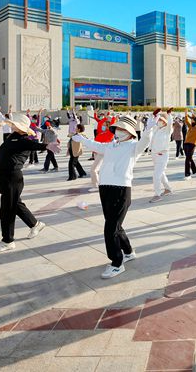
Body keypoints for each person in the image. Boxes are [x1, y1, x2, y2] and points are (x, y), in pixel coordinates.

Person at [71, 115, 154, 278]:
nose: (119, 131)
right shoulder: (111, 145)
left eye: (123, 129)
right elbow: (96, 145)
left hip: (121, 190)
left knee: (110, 229)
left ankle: (117, 263)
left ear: (130, 132)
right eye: (118, 128)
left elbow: (145, 141)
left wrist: (149, 129)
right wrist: (81, 139)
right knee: (115, 225)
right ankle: (128, 252)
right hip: (105, 188)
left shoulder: (134, 147)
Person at [0, 114, 48, 252]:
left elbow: (34, 145)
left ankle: (8, 241)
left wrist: (47, 146)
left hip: (12, 178)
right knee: (16, 205)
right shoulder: (13, 136)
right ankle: (35, 224)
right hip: (3, 177)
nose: (13, 126)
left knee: (7, 211)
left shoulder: (24, 140)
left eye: (15, 125)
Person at [149, 110, 173, 203]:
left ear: (164, 122)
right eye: (158, 120)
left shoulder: (167, 130)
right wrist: (154, 115)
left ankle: (157, 195)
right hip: (155, 155)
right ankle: (168, 189)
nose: (158, 121)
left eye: (160, 120)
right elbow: (151, 124)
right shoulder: (157, 129)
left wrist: (169, 115)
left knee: (156, 175)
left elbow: (170, 123)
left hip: (162, 155)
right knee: (161, 173)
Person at [91, 110, 117, 187]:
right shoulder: (100, 131)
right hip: (96, 152)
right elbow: (99, 123)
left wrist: (111, 116)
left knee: (94, 169)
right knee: (100, 169)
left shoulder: (110, 133)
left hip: (102, 153)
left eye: (104, 124)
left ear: (108, 126)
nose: (102, 125)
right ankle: (102, 183)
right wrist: (105, 117)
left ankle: (97, 185)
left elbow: (113, 122)